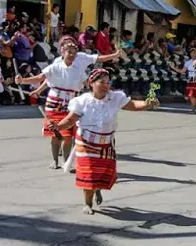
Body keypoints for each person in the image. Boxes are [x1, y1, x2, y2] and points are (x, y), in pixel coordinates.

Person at [54, 67, 160, 213]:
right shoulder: (82, 101)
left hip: (106, 143)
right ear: (91, 83)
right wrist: (57, 126)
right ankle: (88, 204)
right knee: (89, 175)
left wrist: (148, 103)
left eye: (107, 82)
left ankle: (97, 189)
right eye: (101, 82)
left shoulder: (115, 97)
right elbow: (70, 119)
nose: (105, 86)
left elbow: (133, 105)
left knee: (105, 175)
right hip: (86, 143)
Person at [16, 35, 124, 169]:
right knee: (55, 134)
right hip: (54, 102)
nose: (72, 55)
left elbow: (89, 83)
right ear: (62, 51)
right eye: (69, 52)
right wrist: (23, 81)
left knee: (67, 135)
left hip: (71, 102)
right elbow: (41, 77)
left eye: (74, 52)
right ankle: (55, 160)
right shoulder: (55, 66)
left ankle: (67, 162)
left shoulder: (78, 69)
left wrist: (103, 91)